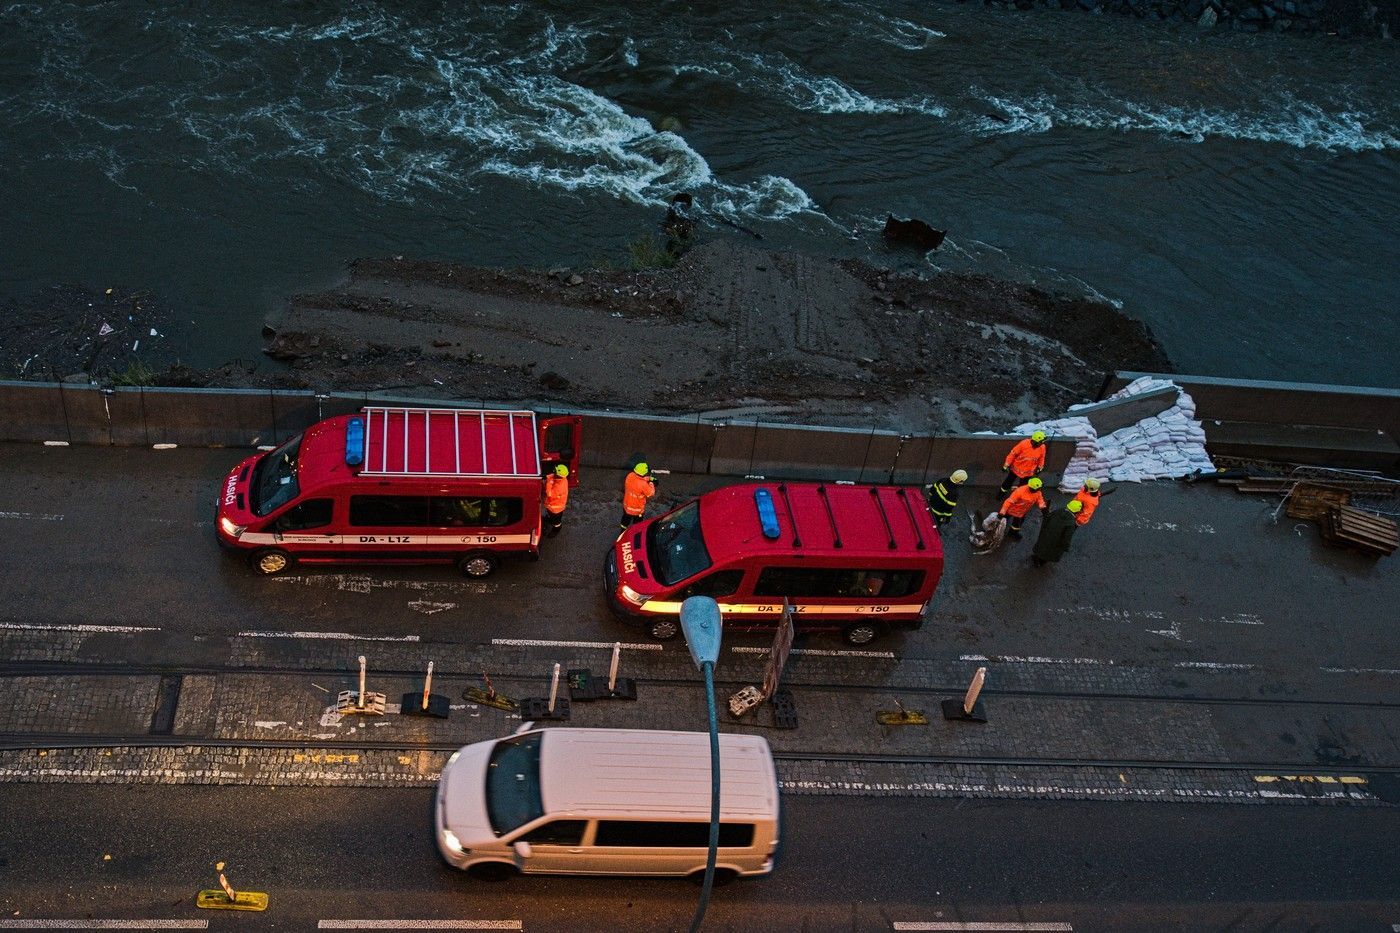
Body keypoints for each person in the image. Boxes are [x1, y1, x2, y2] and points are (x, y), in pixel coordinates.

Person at [1032, 499, 1082, 567]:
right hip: (1056, 542)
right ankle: (1040, 563)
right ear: (1077, 512)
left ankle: (1036, 556)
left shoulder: (1058, 511)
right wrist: (1066, 547)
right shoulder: (1071, 522)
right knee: (1048, 554)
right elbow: (1067, 537)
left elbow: (1047, 518)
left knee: (1041, 546)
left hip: (1046, 534)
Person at [620, 461, 656, 530]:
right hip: (637, 510)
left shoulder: (630, 475)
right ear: (643, 473)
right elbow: (651, 493)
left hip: (627, 506)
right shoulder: (643, 484)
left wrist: (648, 478)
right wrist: (651, 483)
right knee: (637, 524)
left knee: (625, 520)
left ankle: (622, 531)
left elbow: (638, 479)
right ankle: (634, 533)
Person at [542, 464, 569, 538]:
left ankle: (556, 529)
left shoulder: (559, 487)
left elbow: (549, 493)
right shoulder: (563, 479)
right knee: (553, 517)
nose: (554, 471)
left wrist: (548, 481)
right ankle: (550, 520)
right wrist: (548, 477)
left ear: (559, 475)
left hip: (555, 509)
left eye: (556, 471)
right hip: (557, 506)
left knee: (556, 521)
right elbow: (553, 476)